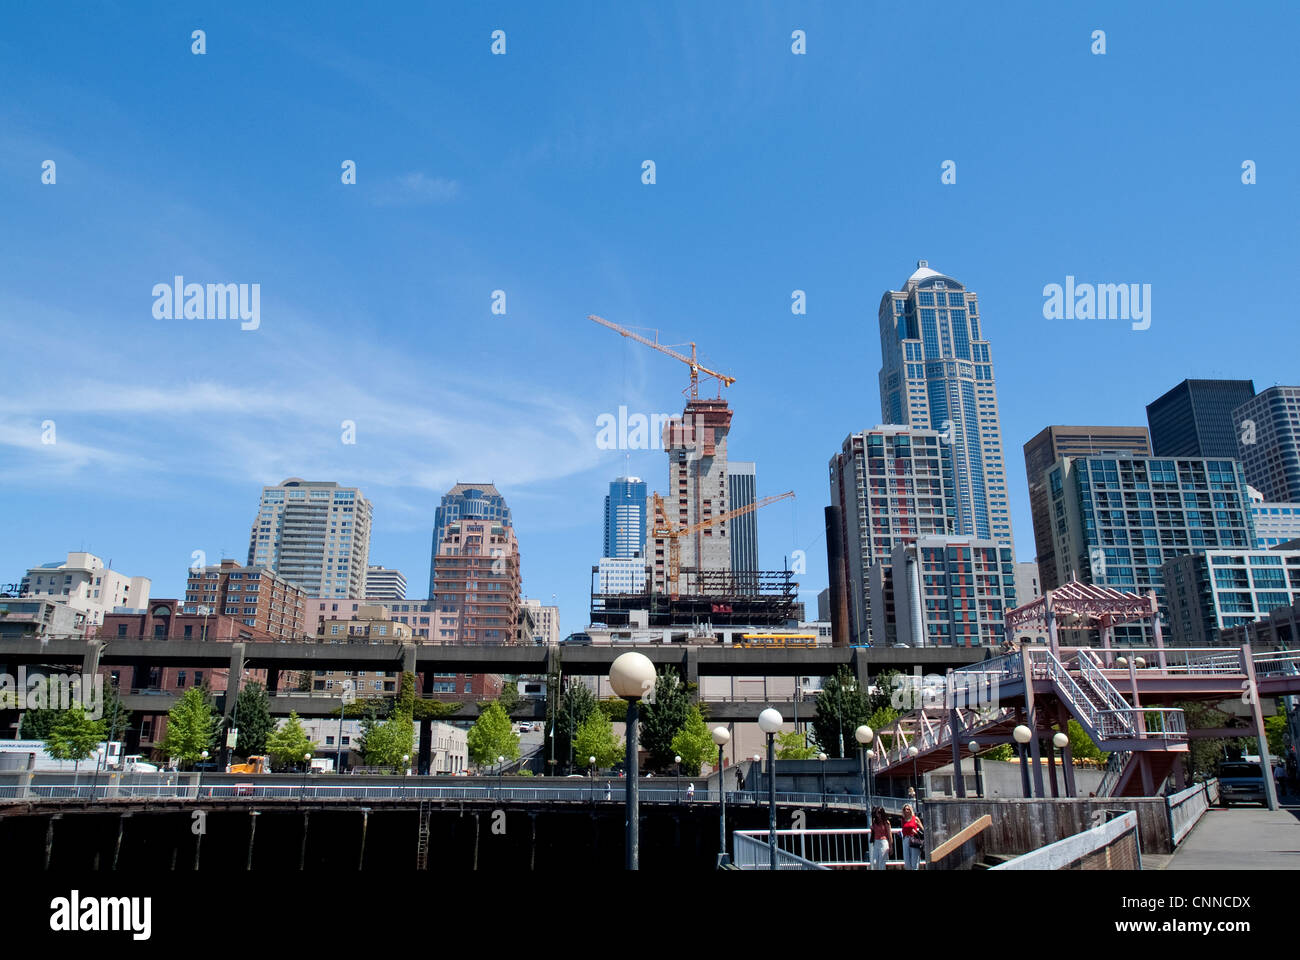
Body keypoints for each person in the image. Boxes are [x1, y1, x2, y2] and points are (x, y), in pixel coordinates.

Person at [900, 803, 924, 870]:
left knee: (914, 862)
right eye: (905, 809)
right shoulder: (903, 820)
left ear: (911, 810)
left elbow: (923, 829)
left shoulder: (915, 818)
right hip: (905, 840)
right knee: (907, 863)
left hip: (914, 839)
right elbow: (903, 829)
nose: (906, 811)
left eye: (908, 809)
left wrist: (916, 832)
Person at [870, 806, 891, 871]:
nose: (878, 814)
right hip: (876, 842)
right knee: (874, 863)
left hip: (883, 842)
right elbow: (873, 832)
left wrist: (891, 846)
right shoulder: (874, 822)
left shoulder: (886, 822)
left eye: (880, 812)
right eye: (877, 812)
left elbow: (889, 834)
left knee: (881, 864)